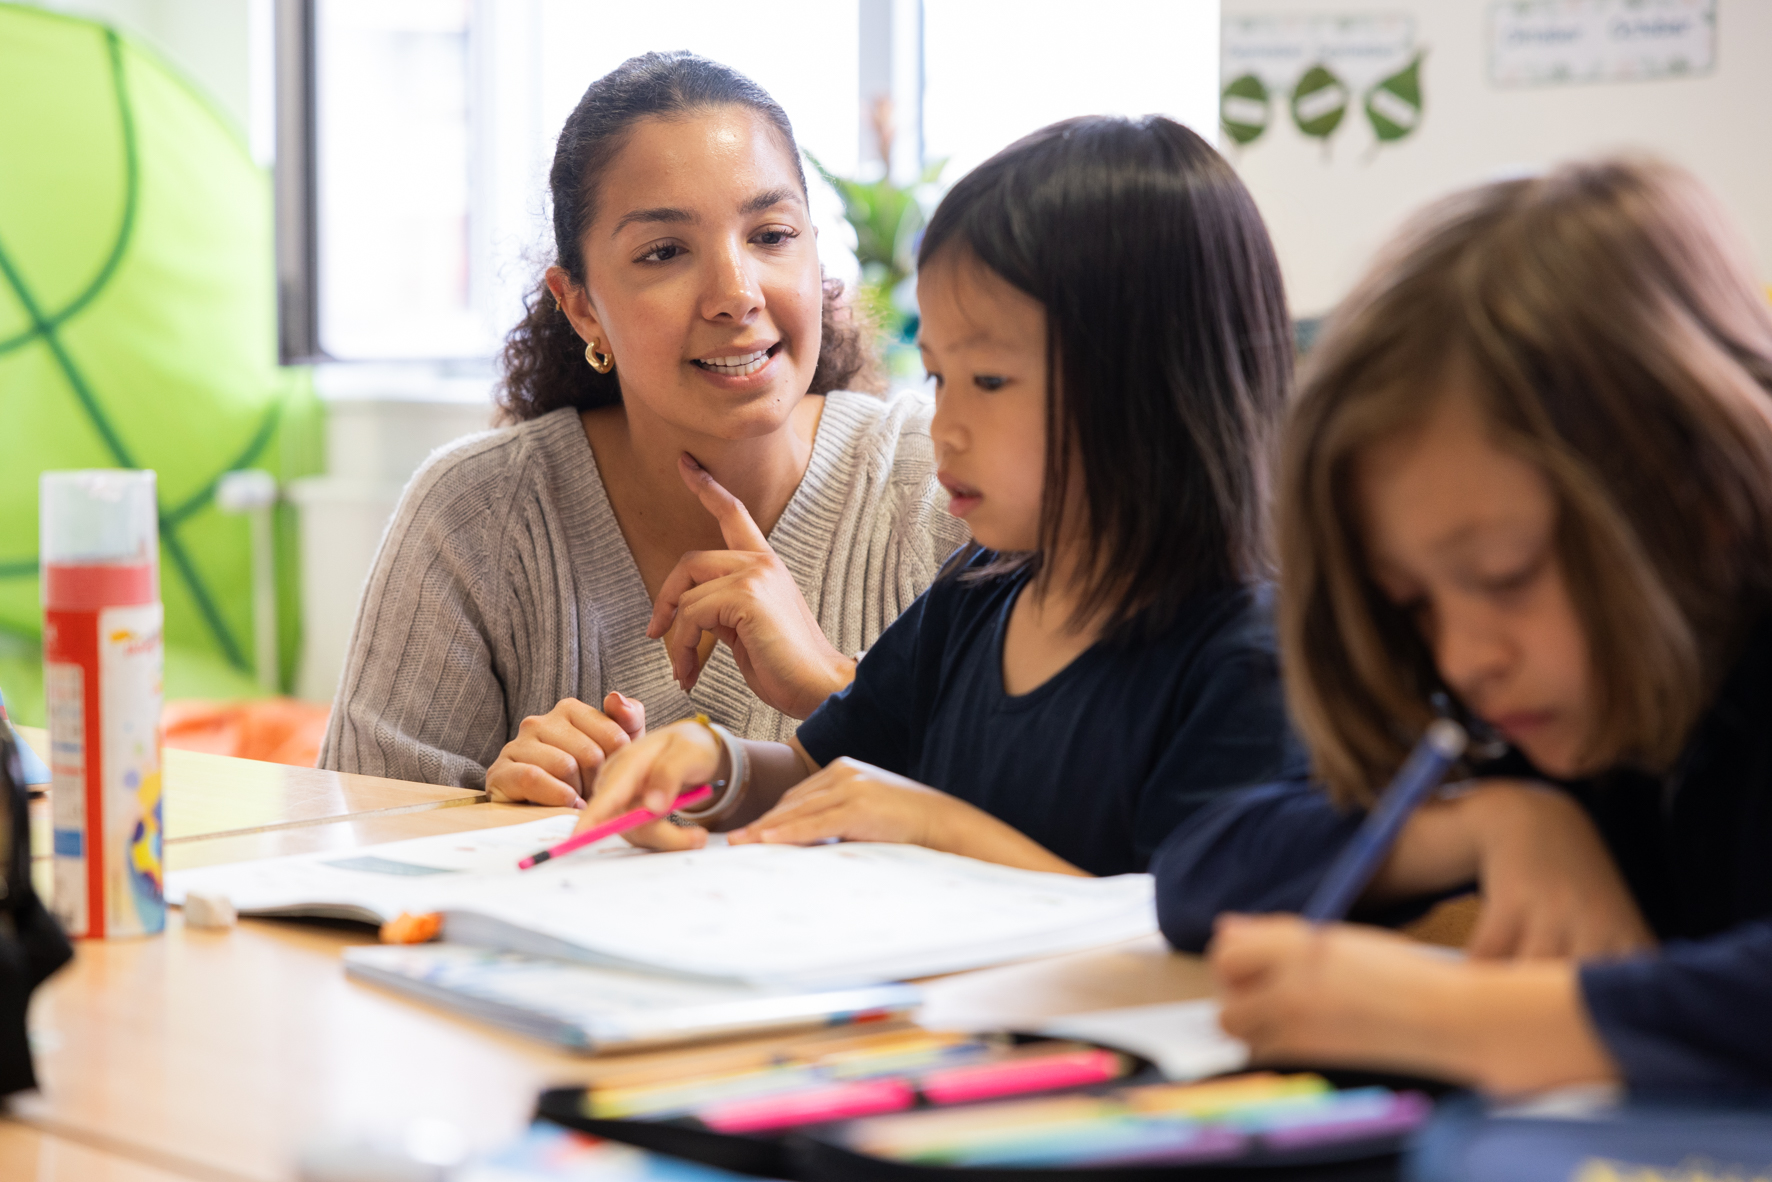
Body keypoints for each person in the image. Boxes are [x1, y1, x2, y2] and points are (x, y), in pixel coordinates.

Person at [1155, 158, 1772, 1092]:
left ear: (1702, 495)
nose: (1463, 656)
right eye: (1414, 603)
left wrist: (1461, 1017)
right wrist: (1495, 823)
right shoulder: (1546, 712)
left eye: (1504, 576)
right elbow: (1199, 875)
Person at [570, 114, 1306, 878]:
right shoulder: (976, 595)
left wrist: (934, 824)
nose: (946, 426)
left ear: (1153, 382)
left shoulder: (1249, 659)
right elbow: (819, 773)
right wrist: (718, 764)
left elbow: (1190, 936)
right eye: (937, 377)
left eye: (988, 380)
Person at [318, 53, 967, 794]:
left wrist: (836, 688)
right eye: (664, 252)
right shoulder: (474, 516)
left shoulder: (943, 484)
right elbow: (354, 843)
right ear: (582, 305)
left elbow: (1077, 818)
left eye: (772, 235)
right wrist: (490, 811)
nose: (736, 293)